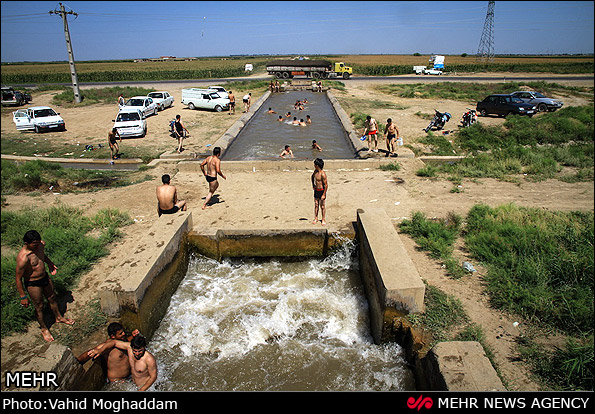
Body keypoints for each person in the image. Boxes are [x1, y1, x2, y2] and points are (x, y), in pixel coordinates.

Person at [15, 230, 74, 342]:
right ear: (26, 243)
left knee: (52, 298)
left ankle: (59, 317)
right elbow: (18, 278)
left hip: (45, 277)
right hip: (33, 283)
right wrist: (23, 296)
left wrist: (50, 263)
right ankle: (44, 328)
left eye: (38, 243)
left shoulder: (40, 245)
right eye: (34, 244)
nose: (37, 246)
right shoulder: (23, 258)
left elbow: (42, 256)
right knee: (39, 306)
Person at [88, 334, 157, 391]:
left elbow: (153, 377)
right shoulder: (129, 348)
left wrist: (141, 390)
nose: (137, 354)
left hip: (146, 388)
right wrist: (100, 350)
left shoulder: (149, 359)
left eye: (140, 351)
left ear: (144, 347)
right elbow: (114, 342)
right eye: (135, 351)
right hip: (133, 385)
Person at [76, 322, 140, 383]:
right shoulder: (107, 346)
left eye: (123, 332)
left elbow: (126, 342)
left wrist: (133, 336)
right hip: (117, 381)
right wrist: (77, 362)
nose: (124, 334)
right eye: (120, 333)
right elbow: (90, 353)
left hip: (128, 377)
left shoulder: (122, 340)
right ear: (113, 336)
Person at [311, 158, 328, 226]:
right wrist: (313, 185)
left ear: (317, 165)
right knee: (316, 205)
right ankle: (316, 218)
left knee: (322, 206)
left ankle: (323, 219)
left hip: (321, 191)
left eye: (315, 164)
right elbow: (312, 177)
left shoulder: (322, 174)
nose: (314, 165)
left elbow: (326, 185)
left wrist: (324, 194)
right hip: (316, 190)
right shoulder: (315, 172)